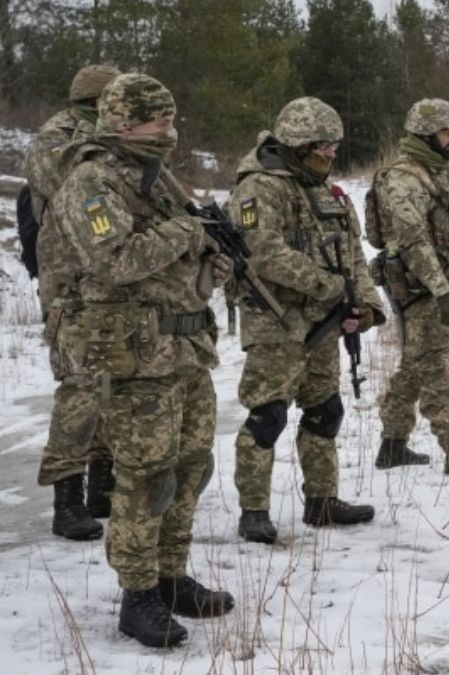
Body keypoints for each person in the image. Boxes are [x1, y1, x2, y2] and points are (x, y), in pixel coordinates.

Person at [51, 73, 234, 648]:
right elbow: (115, 260)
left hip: (183, 350)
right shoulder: (91, 182)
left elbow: (186, 266)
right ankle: (139, 594)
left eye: (172, 118)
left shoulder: (159, 181)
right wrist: (189, 229)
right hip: (133, 358)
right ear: (124, 122)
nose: (170, 130)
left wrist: (213, 259)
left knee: (190, 469)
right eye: (159, 120)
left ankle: (172, 576)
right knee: (144, 480)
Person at [228, 97, 385, 544]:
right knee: (268, 416)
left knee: (324, 411)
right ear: (297, 145)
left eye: (335, 145)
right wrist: (329, 286)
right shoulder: (259, 188)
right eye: (322, 146)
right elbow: (264, 252)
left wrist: (367, 303)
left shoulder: (325, 191)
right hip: (276, 324)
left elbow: (353, 254)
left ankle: (322, 501)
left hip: (323, 326)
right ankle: (253, 510)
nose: (331, 153)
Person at [369, 98, 449, 479]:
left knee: (413, 366)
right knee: (442, 369)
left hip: (429, 282)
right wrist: (442, 291)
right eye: (446, 132)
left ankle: (392, 446)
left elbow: (446, 234)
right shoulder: (404, 178)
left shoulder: (432, 172)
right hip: (418, 287)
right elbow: (413, 241)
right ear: (425, 134)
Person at [21, 64, 121, 540]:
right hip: (70, 286)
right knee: (80, 391)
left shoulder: (107, 135)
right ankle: (67, 498)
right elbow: (70, 182)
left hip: (107, 281)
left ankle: (102, 484)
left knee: (111, 382)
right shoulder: (57, 137)